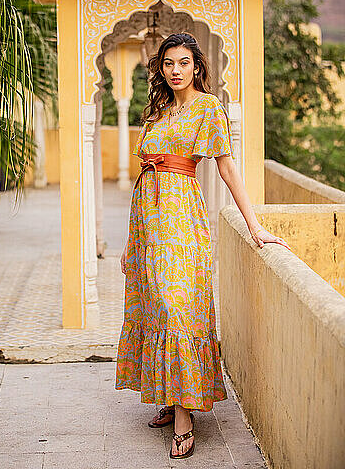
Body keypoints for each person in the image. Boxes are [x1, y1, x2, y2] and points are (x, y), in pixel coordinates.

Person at [114, 32, 290, 459]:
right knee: (156, 307)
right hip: (147, 223)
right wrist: (130, 240)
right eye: (169, 63)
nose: (176, 71)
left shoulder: (208, 108)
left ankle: (185, 417)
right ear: (161, 68)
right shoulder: (156, 109)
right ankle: (170, 397)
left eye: (184, 63)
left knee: (179, 309)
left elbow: (227, 168)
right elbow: (144, 177)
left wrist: (255, 226)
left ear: (197, 67)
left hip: (182, 218)